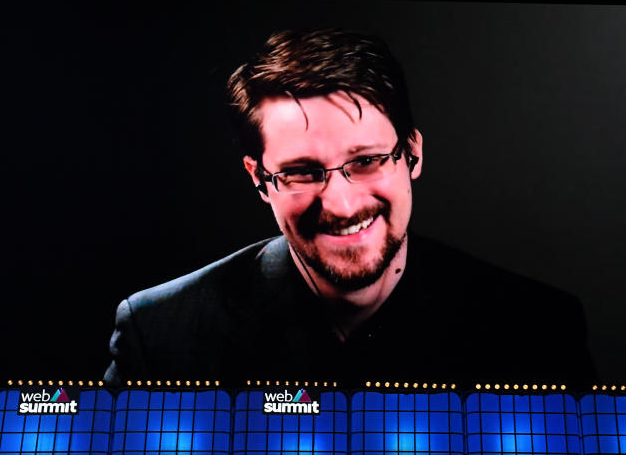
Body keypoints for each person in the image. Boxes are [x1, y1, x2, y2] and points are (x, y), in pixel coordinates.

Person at [103, 29, 595, 386]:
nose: (340, 203)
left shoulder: (538, 328)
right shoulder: (159, 334)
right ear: (259, 180)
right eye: (301, 172)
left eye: (367, 161)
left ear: (413, 154)